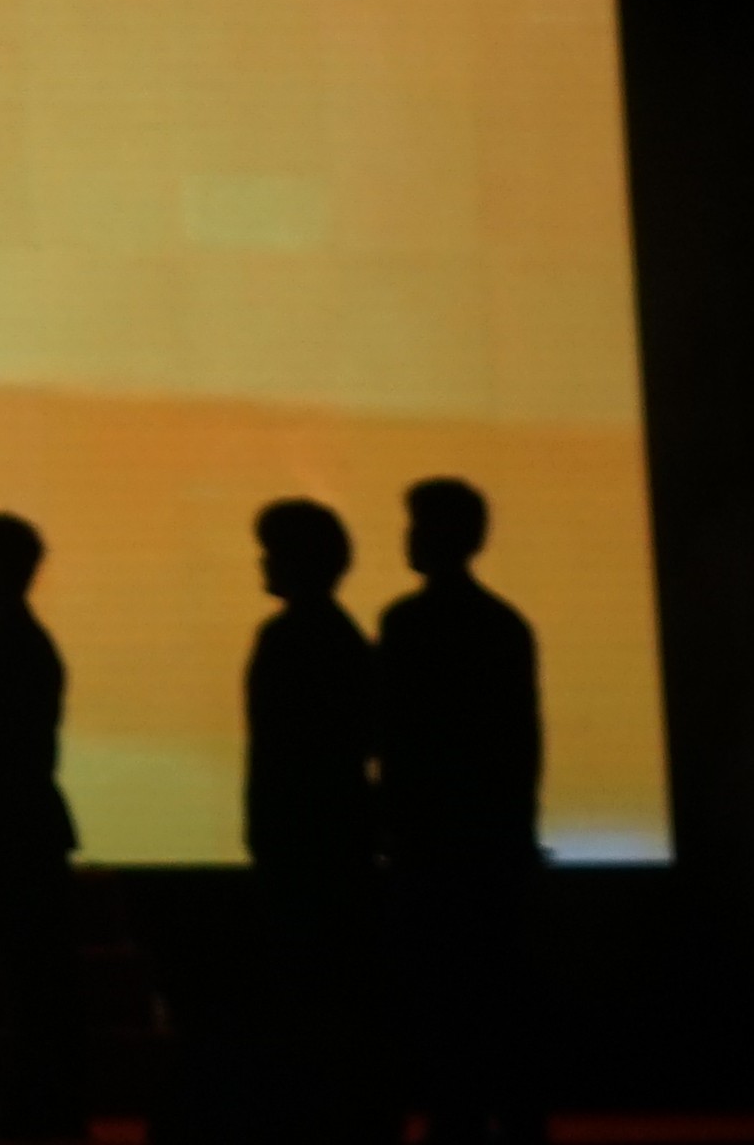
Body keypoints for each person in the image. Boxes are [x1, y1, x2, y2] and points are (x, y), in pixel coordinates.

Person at [381, 477, 549, 1145]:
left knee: (443, 1001)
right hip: (491, 845)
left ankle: (459, 1118)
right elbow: (521, 747)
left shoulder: (406, 623)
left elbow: (395, 738)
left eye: (419, 525)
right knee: (497, 999)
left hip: (428, 846)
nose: (410, 538)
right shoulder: (504, 625)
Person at [245, 497, 384, 1144]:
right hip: (335, 836)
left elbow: (280, 750)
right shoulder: (343, 637)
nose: (263, 563)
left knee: (308, 986)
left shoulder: (289, 638)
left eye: (272, 551)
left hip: (301, 842)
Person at [0, 511, 85, 1144]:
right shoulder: (31, 645)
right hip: (32, 830)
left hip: (9, 834)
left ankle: (36, 1109)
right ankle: (51, 1108)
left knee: (30, 982)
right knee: (41, 981)